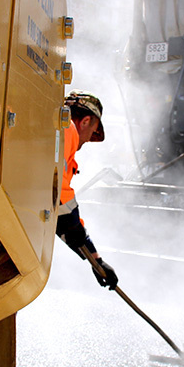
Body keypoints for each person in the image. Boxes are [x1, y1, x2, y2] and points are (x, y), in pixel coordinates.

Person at [58, 90, 117, 290]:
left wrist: (96, 260)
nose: (87, 141)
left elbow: (60, 216)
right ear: (85, 121)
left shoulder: (53, 127)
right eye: (92, 133)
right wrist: (95, 259)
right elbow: (60, 200)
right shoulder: (67, 131)